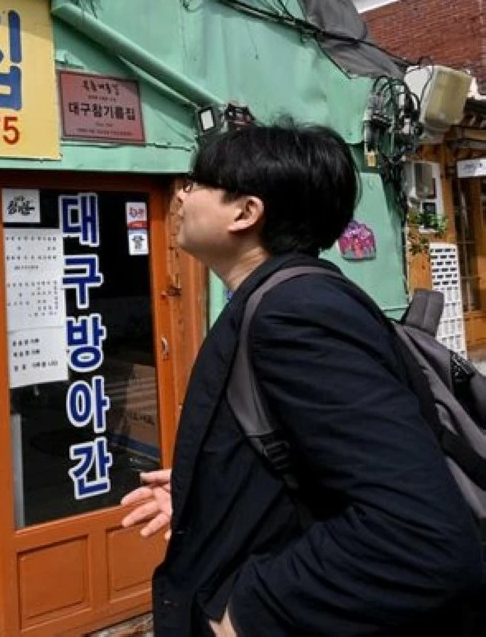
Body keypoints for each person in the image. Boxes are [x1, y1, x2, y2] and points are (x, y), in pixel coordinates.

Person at [121, 120, 483, 636]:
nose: (181, 195)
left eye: (197, 182)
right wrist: (212, 495)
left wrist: (243, 613)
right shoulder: (282, 300)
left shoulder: (294, 313)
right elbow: (319, 474)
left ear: (246, 212)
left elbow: (419, 536)